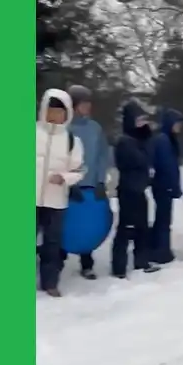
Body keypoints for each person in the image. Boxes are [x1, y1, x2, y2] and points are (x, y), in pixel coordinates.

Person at [36, 89, 86, 297]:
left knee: (52, 243)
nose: (55, 115)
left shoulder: (72, 141)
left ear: (67, 114)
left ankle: (50, 282)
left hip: (56, 200)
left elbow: (80, 170)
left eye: (60, 112)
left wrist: (65, 178)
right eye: (51, 110)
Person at [63, 84, 109, 280]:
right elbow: (59, 159)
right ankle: (56, 261)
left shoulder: (95, 128)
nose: (88, 107)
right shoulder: (63, 128)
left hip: (90, 185)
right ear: (72, 105)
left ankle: (87, 264)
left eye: (89, 103)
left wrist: (100, 181)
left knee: (87, 224)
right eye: (83, 103)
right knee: (64, 224)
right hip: (66, 186)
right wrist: (70, 184)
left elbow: (102, 156)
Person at [111, 101, 160, 278]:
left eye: (143, 120)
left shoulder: (141, 140)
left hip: (139, 189)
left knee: (142, 228)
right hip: (128, 191)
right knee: (125, 229)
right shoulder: (125, 141)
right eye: (138, 120)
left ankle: (141, 261)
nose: (142, 124)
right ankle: (119, 268)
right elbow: (139, 160)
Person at [149, 107, 183, 264]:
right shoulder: (164, 140)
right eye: (177, 123)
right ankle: (162, 252)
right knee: (164, 219)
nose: (179, 127)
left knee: (162, 218)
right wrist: (173, 186)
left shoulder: (166, 139)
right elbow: (167, 165)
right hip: (163, 185)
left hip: (162, 184)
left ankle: (159, 248)